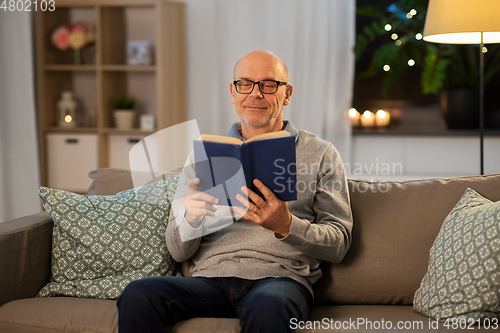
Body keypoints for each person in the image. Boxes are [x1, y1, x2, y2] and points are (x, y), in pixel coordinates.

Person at [117, 50, 353, 333]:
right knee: (138, 294)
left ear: (287, 94)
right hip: (209, 281)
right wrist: (190, 220)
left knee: (269, 305)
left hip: (280, 281)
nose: (255, 94)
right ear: (233, 91)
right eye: (245, 84)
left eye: (268, 84)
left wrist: (287, 226)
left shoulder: (321, 154)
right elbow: (177, 251)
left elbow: (339, 243)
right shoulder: (203, 155)